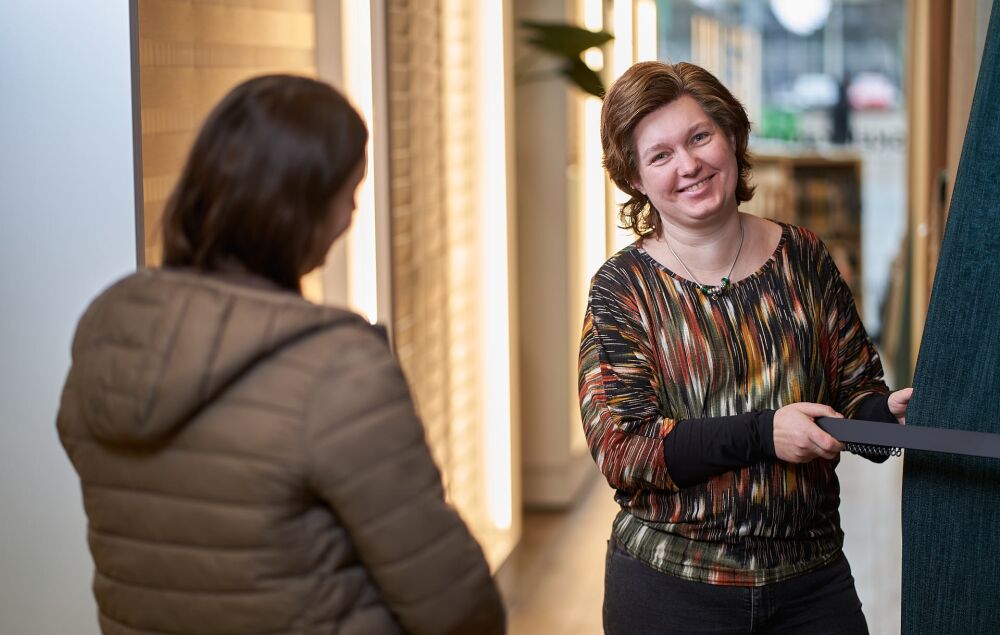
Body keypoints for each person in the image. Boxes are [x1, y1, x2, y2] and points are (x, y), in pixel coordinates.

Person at [57, 75, 505, 635]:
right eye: (350, 194)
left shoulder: (109, 334)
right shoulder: (337, 369)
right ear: (303, 208)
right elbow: (456, 608)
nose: (350, 218)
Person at [579, 61, 912, 634]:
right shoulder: (622, 288)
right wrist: (765, 433)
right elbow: (624, 450)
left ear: (731, 136)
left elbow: (856, 393)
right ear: (635, 178)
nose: (688, 165)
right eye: (660, 155)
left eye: (699, 137)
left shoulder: (804, 256)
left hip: (812, 584)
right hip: (671, 594)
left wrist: (889, 417)